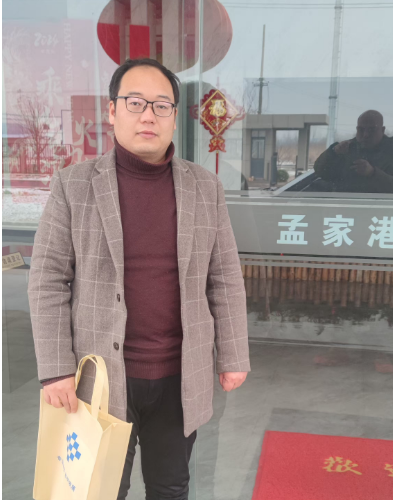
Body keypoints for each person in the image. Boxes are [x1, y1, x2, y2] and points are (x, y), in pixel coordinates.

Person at [28, 58, 251, 500]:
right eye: (135, 103)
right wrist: (55, 369)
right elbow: (48, 278)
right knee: (100, 489)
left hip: (179, 375)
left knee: (171, 487)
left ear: (174, 116)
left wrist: (233, 354)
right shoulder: (74, 185)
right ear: (112, 111)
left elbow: (224, 275)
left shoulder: (205, 187)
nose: (148, 115)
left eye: (161, 105)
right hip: (100, 377)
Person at [314, 110, 393, 193]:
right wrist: (333, 153)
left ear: (382, 130)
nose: (365, 134)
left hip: (376, 205)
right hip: (343, 204)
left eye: (371, 130)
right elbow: (320, 172)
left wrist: (372, 173)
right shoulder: (346, 149)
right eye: (361, 130)